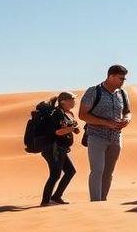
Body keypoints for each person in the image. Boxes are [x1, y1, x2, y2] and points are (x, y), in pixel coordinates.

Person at [79, 64, 132, 202]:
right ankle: (95, 203)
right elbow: (82, 115)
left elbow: (127, 112)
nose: (123, 81)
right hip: (96, 137)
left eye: (124, 78)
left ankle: (103, 202)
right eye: (121, 78)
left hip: (116, 138)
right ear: (111, 76)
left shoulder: (122, 93)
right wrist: (107, 123)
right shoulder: (93, 91)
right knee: (97, 171)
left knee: (108, 173)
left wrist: (127, 119)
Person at [40, 91, 80, 206]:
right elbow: (57, 132)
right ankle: (45, 201)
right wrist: (70, 129)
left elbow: (69, 128)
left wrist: (73, 128)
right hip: (53, 148)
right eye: (71, 99)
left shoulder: (68, 113)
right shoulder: (56, 113)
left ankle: (56, 196)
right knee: (55, 174)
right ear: (63, 101)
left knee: (70, 171)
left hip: (61, 148)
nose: (74, 101)